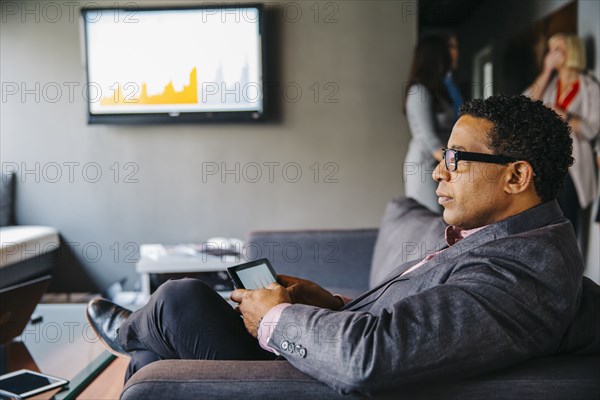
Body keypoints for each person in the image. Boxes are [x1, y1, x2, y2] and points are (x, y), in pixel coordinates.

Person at [88, 95, 583, 396]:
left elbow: (371, 360)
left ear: (517, 176)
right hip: (321, 357)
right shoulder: (510, 244)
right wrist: (328, 304)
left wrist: (275, 319)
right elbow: (419, 326)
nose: (438, 171)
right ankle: (138, 340)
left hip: (319, 383)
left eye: (455, 159)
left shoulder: (522, 271)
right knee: (158, 351)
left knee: (179, 302)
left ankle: (129, 334)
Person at [525, 33, 600, 235]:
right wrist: (546, 70)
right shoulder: (549, 84)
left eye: (558, 49)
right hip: (547, 162)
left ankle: (569, 265)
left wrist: (564, 115)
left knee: (567, 224)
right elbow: (525, 103)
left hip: (573, 166)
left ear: (572, 52)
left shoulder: (590, 87)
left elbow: (592, 129)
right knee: (544, 223)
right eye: (550, 50)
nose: (552, 54)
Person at [403, 34, 456, 213]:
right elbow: (430, 140)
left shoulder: (440, 91)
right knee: (431, 219)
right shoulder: (419, 92)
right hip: (425, 166)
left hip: (440, 164)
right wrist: (457, 163)